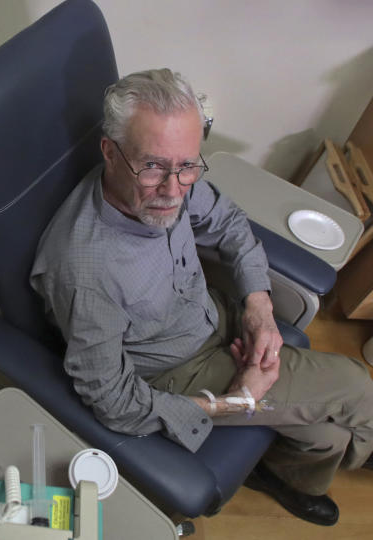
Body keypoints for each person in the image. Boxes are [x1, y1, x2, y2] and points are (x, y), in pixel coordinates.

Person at [30, 68, 373, 527]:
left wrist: (259, 307)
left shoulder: (169, 178)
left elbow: (230, 224)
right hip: (176, 371)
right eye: (152, 166)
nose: (173, 191)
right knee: (358, 386)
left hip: (215, 316)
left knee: (326, 439)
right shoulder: (84, 272)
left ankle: (277, 476)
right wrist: (236, 403)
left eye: (188, 165)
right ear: (110, 152)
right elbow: (114, 403)